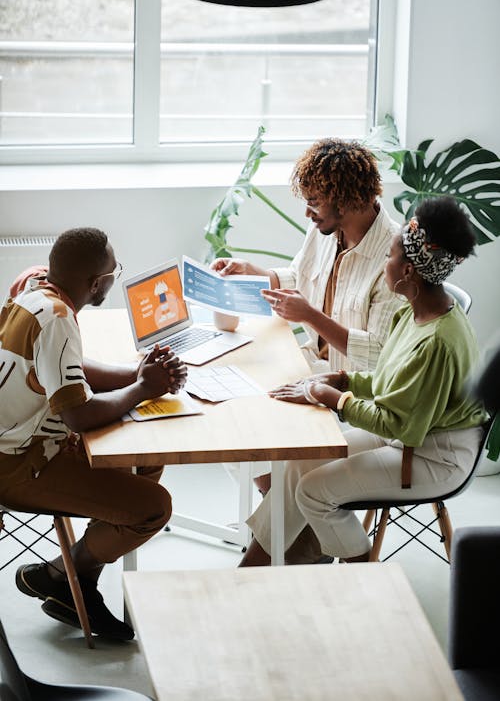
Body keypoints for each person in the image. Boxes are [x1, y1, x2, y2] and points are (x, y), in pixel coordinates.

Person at [239, 196, 488, 567]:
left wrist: (333, 399)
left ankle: (364, 577)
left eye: (389, 257)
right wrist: (341, 378)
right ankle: (255, 570)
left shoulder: (437, 341)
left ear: (408, 273)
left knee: (313, 492)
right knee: (298, 464)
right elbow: (393, 380)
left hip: (434, 455)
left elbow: (400, 424)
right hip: (410, 433)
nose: (384, 264)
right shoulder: (416, 312)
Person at [212, 138, 400, 560]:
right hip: (311, 368)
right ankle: (297, 526)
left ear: (346, 200)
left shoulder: (393, 258)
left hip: (354, 390)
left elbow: (382, 355)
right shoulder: (325, 232)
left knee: (297, 461)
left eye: (314, 201)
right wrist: (256, 272)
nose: (308, 211)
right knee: (229, 408)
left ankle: (261, 562)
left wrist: (311, 316)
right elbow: (299, 273)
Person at [0, 228, 187, 641]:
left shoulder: (35, 291)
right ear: (96, 283)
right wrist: (142, 390)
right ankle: (64, 575)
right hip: (20, 463)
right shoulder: (59, 319)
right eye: (113, 272)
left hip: (31, 443)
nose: (113, 278)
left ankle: (73, 580)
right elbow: (78, 416)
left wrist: (138, 374)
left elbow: (72, 368)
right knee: (153, 507)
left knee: (147, 454)